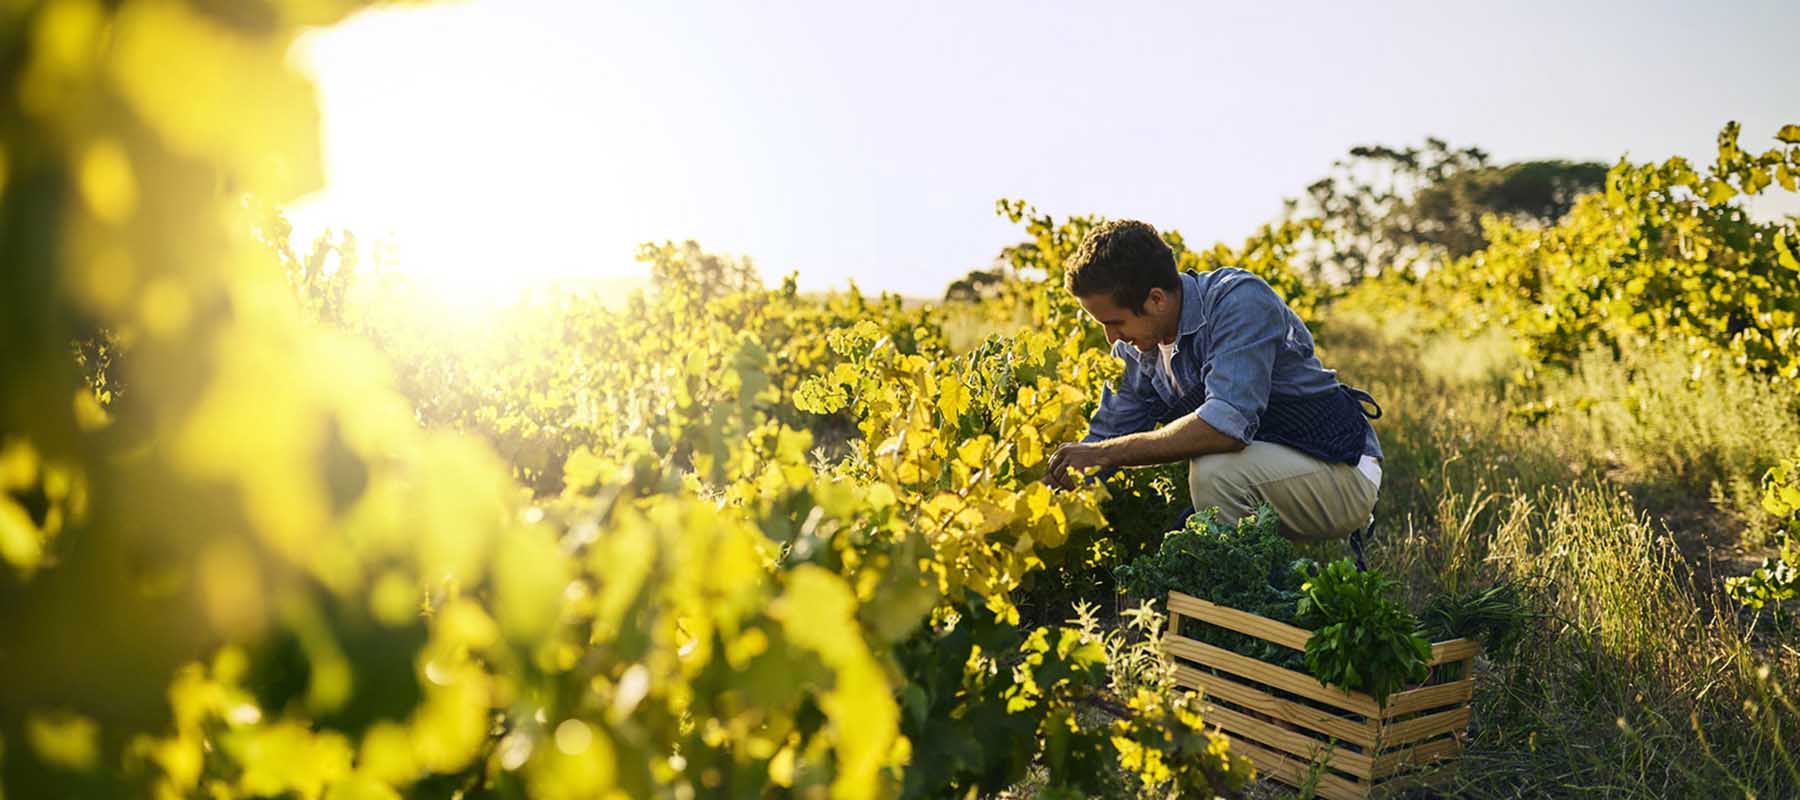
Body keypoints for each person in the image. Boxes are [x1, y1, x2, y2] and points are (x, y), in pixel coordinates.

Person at [1043, 219, 1382, 542]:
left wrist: (1104, 453)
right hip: (1272, 466)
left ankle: (1257, 600)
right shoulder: (1135, 349)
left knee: (1214, 472)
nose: (1110, 337)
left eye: (1115, 322)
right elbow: (1107, 437)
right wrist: (1038, 498)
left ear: (1156, 299)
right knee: (1183, 536)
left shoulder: (1238, 301)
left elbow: (1226, 427)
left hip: (1340, 467)